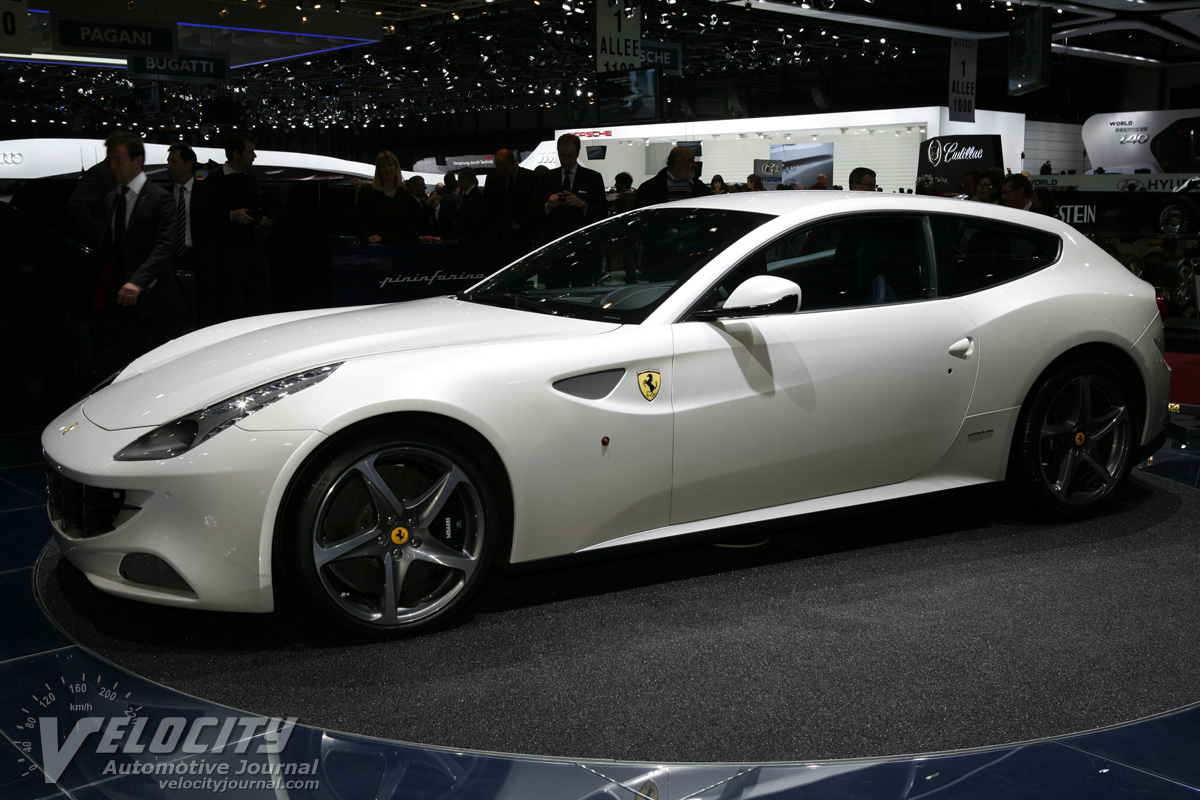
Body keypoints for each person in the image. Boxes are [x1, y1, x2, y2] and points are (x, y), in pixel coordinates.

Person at [93, 130, 190, 376]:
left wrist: (137, 282)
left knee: (165, 367)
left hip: (157, 301)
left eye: (118, 159)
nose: (112, 166)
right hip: (121, 303)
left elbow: (164, 246)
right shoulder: (111, 200)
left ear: (137, 161)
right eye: (110, 160)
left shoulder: (160, 198)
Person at [206, 132, 272, 318]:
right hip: (229, 251)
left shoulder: (250, 178)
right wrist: (231, 215)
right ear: (236, 154)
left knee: (261, 297)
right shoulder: (214, 181)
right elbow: (208, 217)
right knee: (232, 300)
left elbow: (256, 205)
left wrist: (260, 216)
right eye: (250, 152)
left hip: (254, 245)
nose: (254, 156)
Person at [166, 142, 227, 327]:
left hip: (201, 261)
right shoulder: (164, 196)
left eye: (174, 162)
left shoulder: (209, 194)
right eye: (168, 161)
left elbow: (220, 231)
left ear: (189, 165)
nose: (169, 166)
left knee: (205, 313)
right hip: (171, 260)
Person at [533, 133, 606, 246]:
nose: (566, 160)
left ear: (577, 153)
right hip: (554, 242)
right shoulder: (546, 178)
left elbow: (603, 211)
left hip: (583, 241)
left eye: (570, 156)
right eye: (562, 156)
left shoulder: (593, 178)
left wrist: (582, 204)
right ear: (558, 153)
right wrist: (548, 206)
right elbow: (533, 209)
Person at [355, 150, 418, 244]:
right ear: (378, 170)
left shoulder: (404, 194)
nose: (387, 169)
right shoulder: (367, 191)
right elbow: (359, 222)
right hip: (374, 247)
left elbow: (406, 225)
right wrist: (368, 238)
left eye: (390, 165)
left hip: (397, 246)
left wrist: (419, 237)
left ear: (396, 167)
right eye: (383, 166)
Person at [484, 148, 537, 246]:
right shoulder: (492, 179)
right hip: (500, 234)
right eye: (499, 169)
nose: (502, 173)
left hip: (525, 232)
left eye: (505, 169)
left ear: (513, 162)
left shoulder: (531, 178)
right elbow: (488, 207)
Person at [634, 146, 713, 208]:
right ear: (678, 163)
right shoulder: (649, 189)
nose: (695, 164)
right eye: (690, 160)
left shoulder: (701, 189)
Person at [452, 167, 488, 242]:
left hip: (470, 240)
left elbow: (474, 222)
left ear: (466, 179)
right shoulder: (470, 195)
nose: (458, 182)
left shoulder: (476, 197)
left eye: (459, 178)